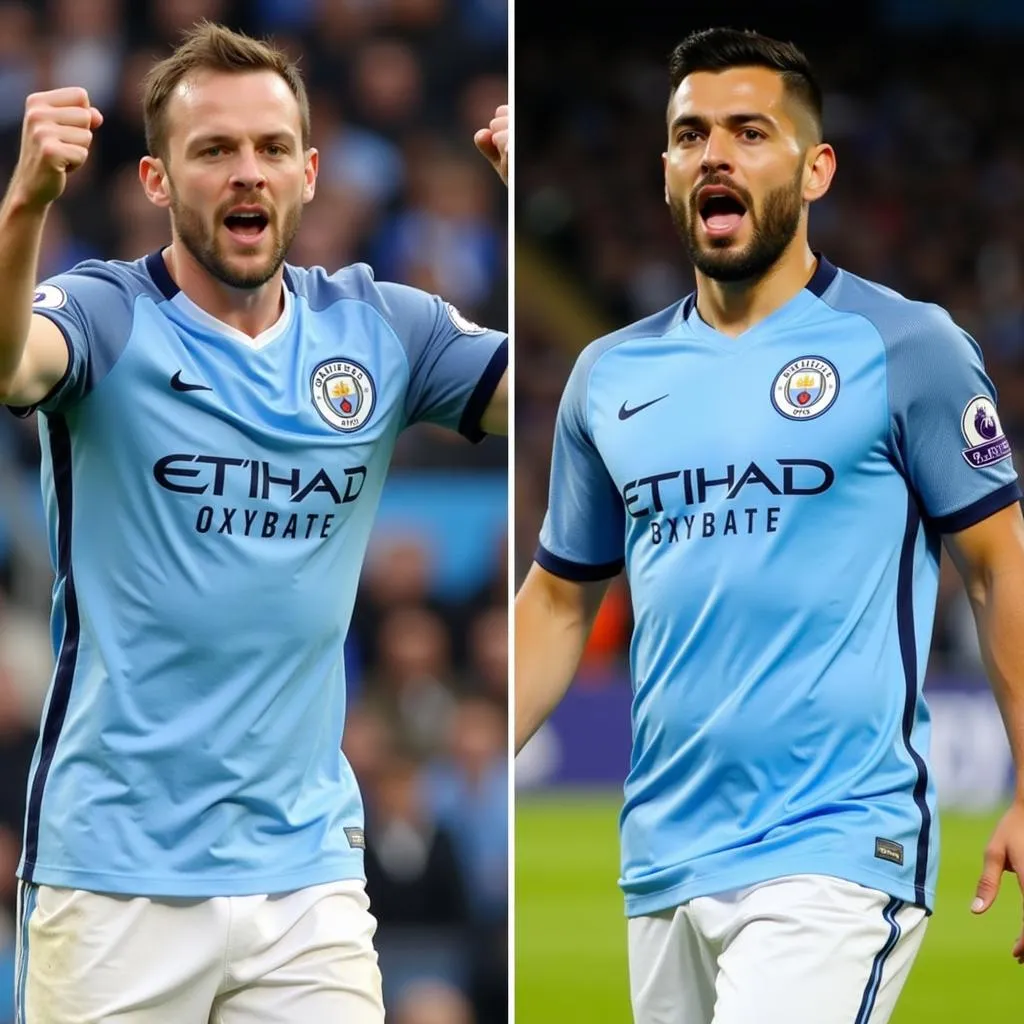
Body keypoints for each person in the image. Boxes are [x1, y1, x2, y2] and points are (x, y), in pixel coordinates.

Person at [0, 21, 508, 1024]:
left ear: (311, 171)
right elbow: (12, 363)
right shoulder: (106, 316)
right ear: (155, 179)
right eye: (214, 150)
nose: (247, 173)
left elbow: (581, 411)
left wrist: (525, 206)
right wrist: (23, 207)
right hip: (115, 877)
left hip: (306, 877)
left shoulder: (382, 328)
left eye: (272, 149)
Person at [514, 26, 1024, 1024]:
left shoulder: (907, 346)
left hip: (834, 841)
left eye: (749, 131)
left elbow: (998, 567)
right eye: (691, 133)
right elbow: (560, 602)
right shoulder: (607, 377)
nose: (715, 153)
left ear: (815, 165)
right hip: (661, 852)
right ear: (664, 167)